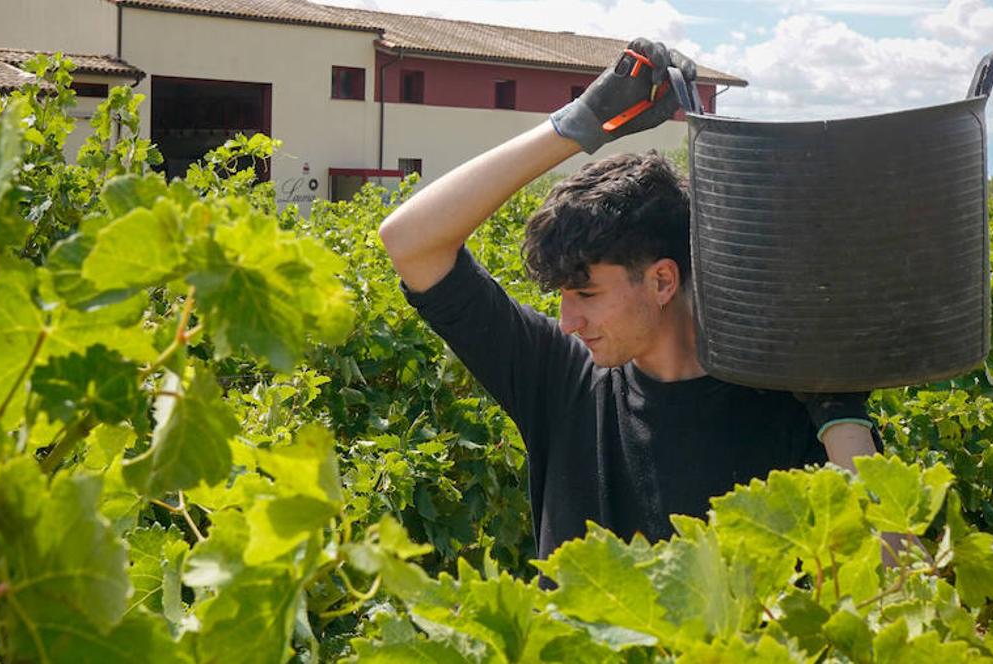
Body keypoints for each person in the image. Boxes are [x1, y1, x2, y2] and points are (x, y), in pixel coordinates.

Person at [378, 38, 884, 565]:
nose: (568, 322)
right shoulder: (558, 378)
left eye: (586, 294)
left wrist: (842, 419)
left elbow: (895, 586)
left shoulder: (791, 408)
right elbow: (409, 242)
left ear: (663, 281)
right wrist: (580, 123)